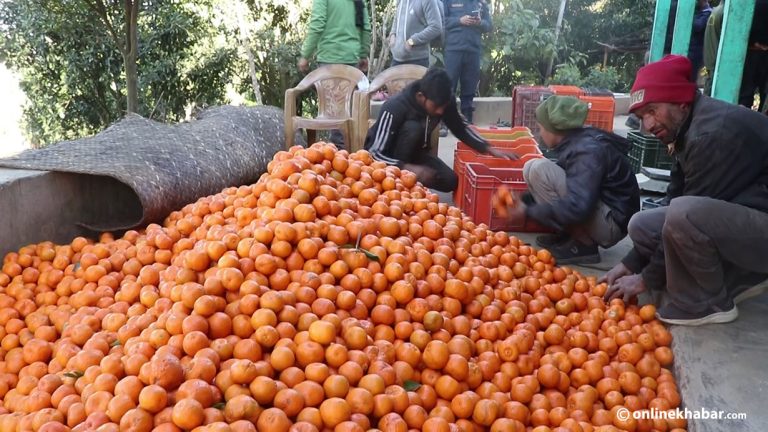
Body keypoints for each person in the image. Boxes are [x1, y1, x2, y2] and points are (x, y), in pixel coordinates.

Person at [601, 55, 768, 326]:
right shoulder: (685, 128)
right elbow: (674, 197)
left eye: (653, 111)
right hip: (748, 210)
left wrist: (645, 279)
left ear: (680, 101)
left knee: (684, 214)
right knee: (643, 223)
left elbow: (684, 213)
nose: (648, 125)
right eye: (643, 117)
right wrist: (631, 263)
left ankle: (710, 301)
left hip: (761, 222)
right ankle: (732, 276)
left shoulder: (711, 134)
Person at [506, 96, 639, 265]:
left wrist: (528, 211)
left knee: (539, 170)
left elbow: (578, 206)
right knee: (532, 167)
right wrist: (523, 199)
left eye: (541, 128)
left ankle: (584, 244)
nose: (540, 134)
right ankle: (571, 235)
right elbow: (575, 184)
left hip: (611, 223)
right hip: (604, 210)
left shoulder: (586, 151)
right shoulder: (576, 141)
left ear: (554, 129)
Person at [364, 68, 512, 192]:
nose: (441, 111)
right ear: (421, 97)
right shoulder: (394, 107)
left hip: (416, 155)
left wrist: (488, 147)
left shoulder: (443, 102)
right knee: (413, 128)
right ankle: (401, 185)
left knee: (450, 181)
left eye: (444, 106)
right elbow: (373, 154)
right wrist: (406, 168)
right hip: (389, 161)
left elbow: (460, 128)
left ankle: (412, 185)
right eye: (436, 107)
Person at [298, 0, 371, 148]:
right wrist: (363, 54)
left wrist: (305, 55)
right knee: (348, 115)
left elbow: (318, 24)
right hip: (352, 61)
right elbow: (365, 27)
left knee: (335, 118)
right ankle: (354, 156)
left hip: (330, 60)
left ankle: (339, 160)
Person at [704, 0, 768, 111]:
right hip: (753, 53)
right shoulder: (723, 12)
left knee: (745, 94)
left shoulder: (724, 11)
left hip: (748, 53)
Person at [443, 0, 492, 124]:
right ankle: (445, 121)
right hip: (454, 49)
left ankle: (467, 121)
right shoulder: (447, 1)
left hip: (473, 50)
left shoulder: (480, 3)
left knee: (469, 87)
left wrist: (480, 22)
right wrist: (459, 20)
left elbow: (489, 25)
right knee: (448, 86)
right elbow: (441, 21)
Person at [389, 0, 443, 68]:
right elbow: (397, 18)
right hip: (396, 59)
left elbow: (436, 27)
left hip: (417, 60)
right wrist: (392, 34)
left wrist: (412, 41)